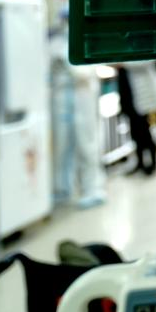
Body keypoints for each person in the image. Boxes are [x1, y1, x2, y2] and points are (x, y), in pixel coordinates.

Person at [49, 12, 106, 208]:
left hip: (84, 99)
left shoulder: (88, 41)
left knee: (87, 145)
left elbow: (82, 72)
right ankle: (63, 189)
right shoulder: (57, 43)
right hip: (64, 101)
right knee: (62, 147)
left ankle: (93, 189)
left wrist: (67, 60)